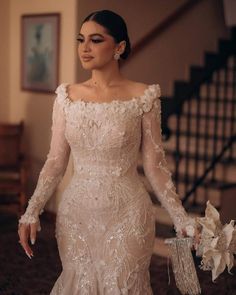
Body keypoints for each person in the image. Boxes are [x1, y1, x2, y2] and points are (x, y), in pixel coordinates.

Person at [18, 9, 197, 294]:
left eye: (95, 40)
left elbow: (155, 166)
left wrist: (181, 219)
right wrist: (32, 211)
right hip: (77, 215)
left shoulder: (145, 96)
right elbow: (55, 162)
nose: (84, 48)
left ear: (120, 47)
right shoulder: (66, 97)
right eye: (81, 40)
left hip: (129, 214)